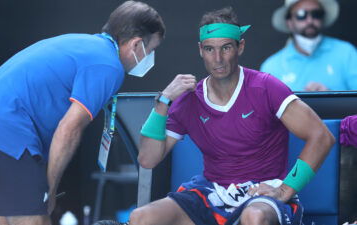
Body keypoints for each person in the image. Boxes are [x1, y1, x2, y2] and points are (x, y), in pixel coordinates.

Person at [97, 5, 335, 225]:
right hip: (213, 193)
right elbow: (147, 159)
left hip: (263, 194)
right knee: (141, 217)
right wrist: (163, 101)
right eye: (210, 49)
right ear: (201, 50)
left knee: (254, 216)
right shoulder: (189, 100)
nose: (218, 58)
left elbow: (322, 136)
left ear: (240, 47)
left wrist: (285, 189)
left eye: (226, 47)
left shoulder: (265, 87)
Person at [0, 1, 165, 225]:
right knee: (32, 218)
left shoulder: (80, 43)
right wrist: (49, 188)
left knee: (1, 220)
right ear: (137, 44)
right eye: (152, 49)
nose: (150, 57)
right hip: (6, 130)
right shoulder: (108, 65)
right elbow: (69, 128)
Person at [260, 0, 357, 91]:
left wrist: (331, 97)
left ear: (323, 18)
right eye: (301, 14)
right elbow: (269, 108)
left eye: (316, 14)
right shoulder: (271, 67)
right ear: (289, 22)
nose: (310, 20)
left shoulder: (347, 52)